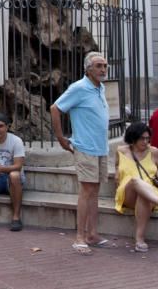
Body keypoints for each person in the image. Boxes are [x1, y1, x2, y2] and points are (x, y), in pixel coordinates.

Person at [51, 51, 110, 255]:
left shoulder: (100, 87)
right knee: (86, 191)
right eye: (98, 66)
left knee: (94, 191)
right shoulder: (79, 88)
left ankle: (92, 233)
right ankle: (79, 236)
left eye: (104, 65)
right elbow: (55, 108)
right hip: (85, 148)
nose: (103, 69)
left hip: (101, 148)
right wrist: (61, 138)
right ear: (88, 68)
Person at [114, 122, 158, 253]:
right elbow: (117, 166)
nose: (145, 141)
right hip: (127, 191)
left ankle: (139, 239)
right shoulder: (121, 151)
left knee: (143, 194)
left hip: (149, 191)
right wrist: (117, 173)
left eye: (147, 138)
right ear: (133, 138)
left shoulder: (154, 152)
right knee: (135, 181)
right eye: (142, 138)